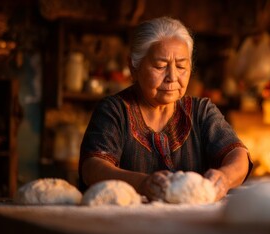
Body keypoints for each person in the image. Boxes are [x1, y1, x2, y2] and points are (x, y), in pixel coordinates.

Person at [78, 17, 251, 201]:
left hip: (193, 222)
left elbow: (238, 155)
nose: (172, 77)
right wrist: (142, 184)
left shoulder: (201, 111)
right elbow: (93, 167)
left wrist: (224, 178)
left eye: (181, 66)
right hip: (128, 225)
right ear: (133, 67)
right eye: (160, 66)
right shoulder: (114, 111)